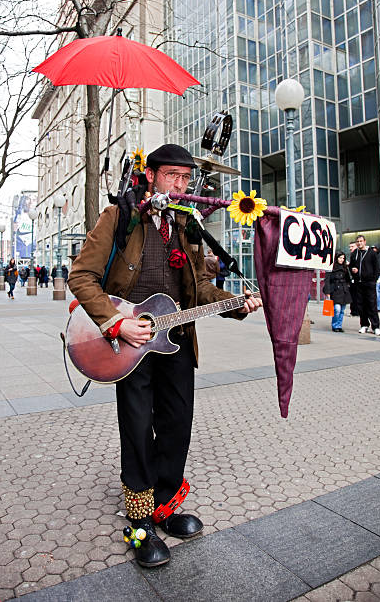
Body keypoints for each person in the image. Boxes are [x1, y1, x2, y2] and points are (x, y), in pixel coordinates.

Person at [68, 143, 262, 569]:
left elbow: (197, 292)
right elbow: (81, 276)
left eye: (186, 178)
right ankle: (138, 523)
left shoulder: (185, 223)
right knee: (138, 431)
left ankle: (164, 505)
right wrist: (117, 323)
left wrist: (235, 303)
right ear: (151, 175)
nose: (181, 184)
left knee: (176, 426)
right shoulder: (118, 216)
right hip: (130, 344)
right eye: (173, 175)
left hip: (176, 343)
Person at [350, 235, 380, 336]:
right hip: (359, 283)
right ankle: (364, 325)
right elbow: (351, 265)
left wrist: (374, 280)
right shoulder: (355, 253)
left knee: (371, 304)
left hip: (369, 283)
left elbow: (376, 267)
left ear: (365, 242)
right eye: (357, 241)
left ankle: (376, 326)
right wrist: (353, 270)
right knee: (361, 305)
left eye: (361, 241)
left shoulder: (371, 253)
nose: (359, 243)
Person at [323, 251, 352, 332]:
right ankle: (335, 325)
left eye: (343, 258)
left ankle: (339, 325)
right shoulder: (331, 267)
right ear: (336, 258)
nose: (342, 259)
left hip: (344, 290)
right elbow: (327, 280)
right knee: (337, 309)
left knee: (342, 310)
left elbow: (348, 279)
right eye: (340, 257)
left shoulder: (345, 267)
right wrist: (327, 292)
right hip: (335, 290)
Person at [348, 242, 358, 316]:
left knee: (355, 296)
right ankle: (354, 311)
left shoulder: (357, 255)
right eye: (350, 247)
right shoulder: (353, 255)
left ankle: (355, 311)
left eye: (352, 246)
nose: (350, 248)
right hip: (353, 279)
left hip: (356, 279)